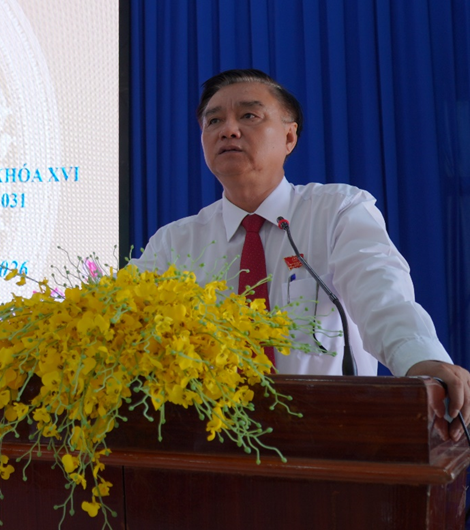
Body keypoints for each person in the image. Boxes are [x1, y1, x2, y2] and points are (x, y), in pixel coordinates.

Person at [132, 68, 470, 440]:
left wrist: (419, 358)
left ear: (289, 137)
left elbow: (381, 293)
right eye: (214, 121)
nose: (228, 129)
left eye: (249, 115)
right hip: (210, 439)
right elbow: (130, 327)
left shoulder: (337, 211)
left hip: (329, 436)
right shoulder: (174, 243)